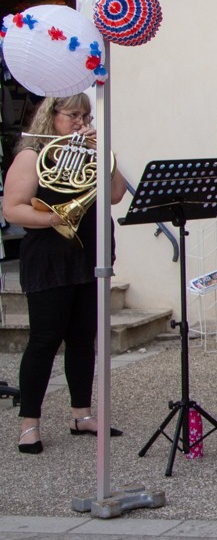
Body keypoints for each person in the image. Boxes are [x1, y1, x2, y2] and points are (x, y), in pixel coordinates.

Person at [3, 95, 128, 453]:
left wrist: (104, 152)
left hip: (89, 252)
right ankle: (29, 423)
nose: (80, 121)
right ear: (51, 116)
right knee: (44, 340)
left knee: (82, 338)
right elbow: (12, 209)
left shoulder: (92, 154)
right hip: (49, 255)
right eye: (73, 115)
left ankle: (82, 414)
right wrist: (54, 219)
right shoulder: (31, 156)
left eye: (86, 115)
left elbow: (117, 194)